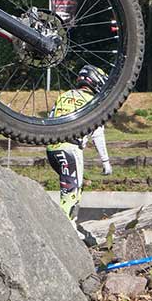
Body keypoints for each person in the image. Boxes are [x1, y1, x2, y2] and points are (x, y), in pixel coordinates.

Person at [46, 66, 111, 220]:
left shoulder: (64, 95)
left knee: (71, 187)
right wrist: (105, 161)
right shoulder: (93, 102)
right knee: (72, 192)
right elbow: (97, 134)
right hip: (71, 149)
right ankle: (67, 226)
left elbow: (50, 118)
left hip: (52, 148)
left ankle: (69, 222)